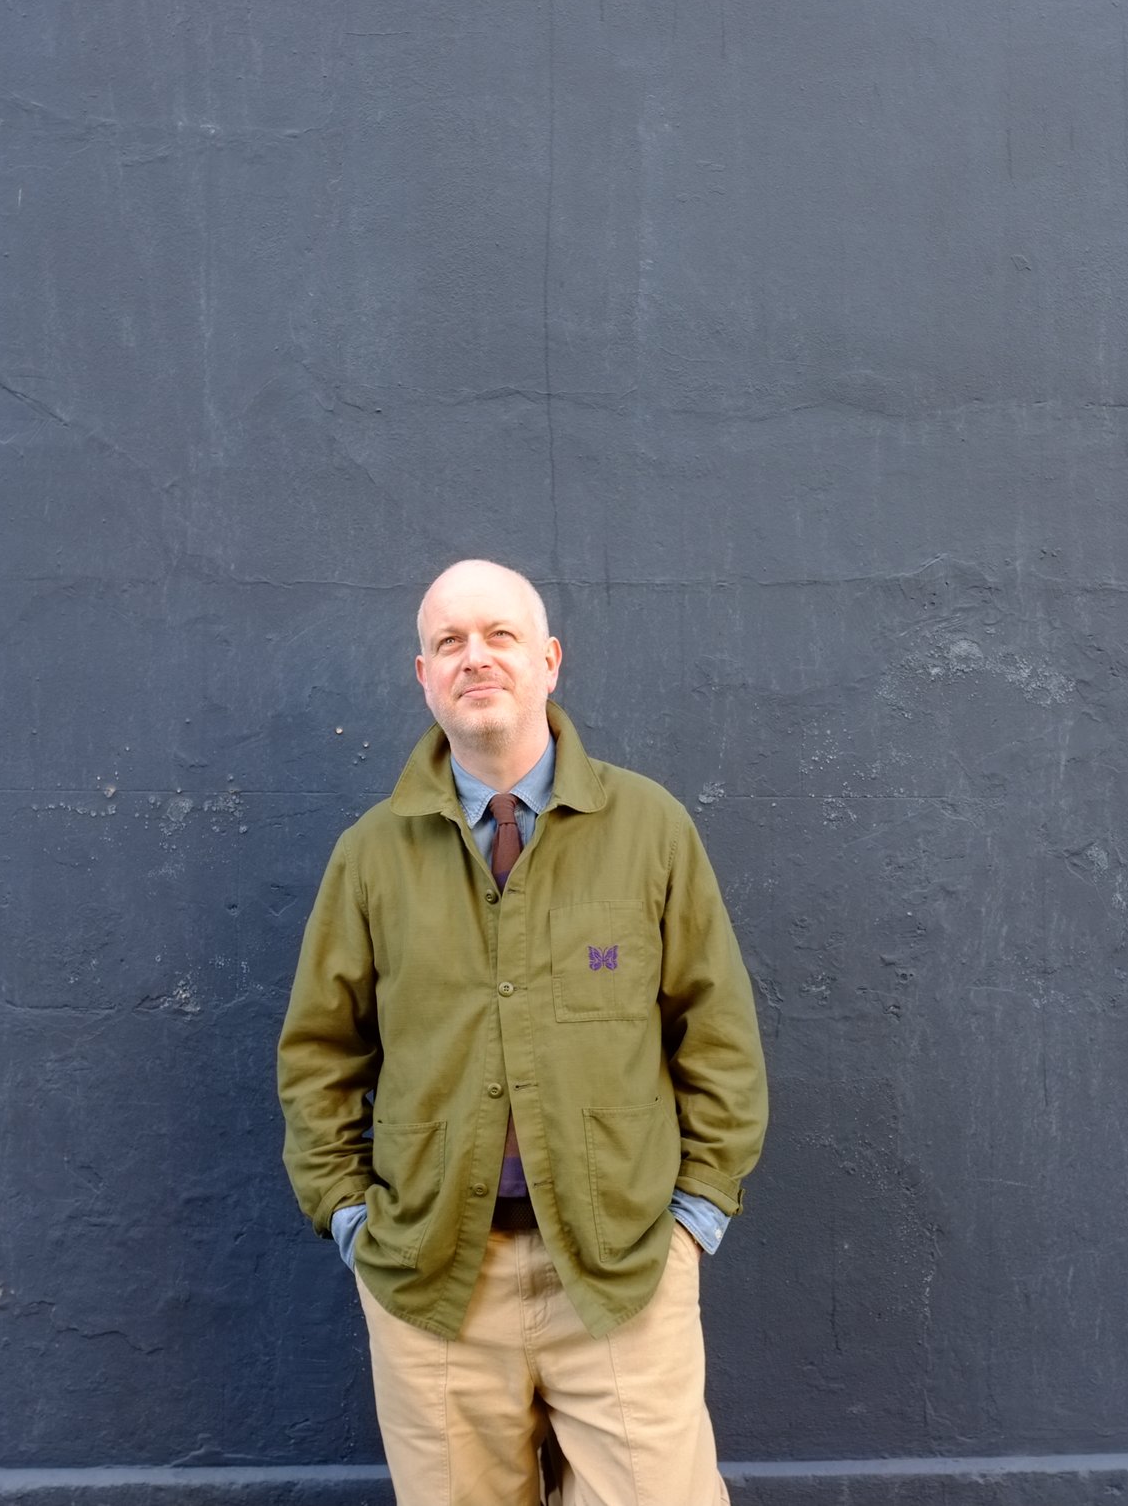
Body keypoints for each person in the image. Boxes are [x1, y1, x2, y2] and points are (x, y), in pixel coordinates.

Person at [278, 558, 768, 1506]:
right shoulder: (372, 857)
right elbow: (319, 1057)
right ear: (423, 676)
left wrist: (695, 1219)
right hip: (433, 1287)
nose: (476, 658)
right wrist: (348, 1217)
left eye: (499, 635)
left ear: (548, 659)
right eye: (448, 642)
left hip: (622, 1276)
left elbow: (717, 1035)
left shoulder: (648, 830)